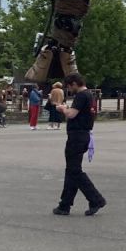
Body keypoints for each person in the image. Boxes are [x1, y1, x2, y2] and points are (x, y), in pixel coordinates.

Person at [51, 72, 105, 217]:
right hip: (84, 134)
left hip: (77, 136)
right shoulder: (90, 95)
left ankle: (96, 199)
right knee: (71, 171)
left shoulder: (81, 96)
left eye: (69, 86)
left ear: (74, 83)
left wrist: (63, 109)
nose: (69, 89)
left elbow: (72, 114)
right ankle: (65, 204)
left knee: (75, 171)